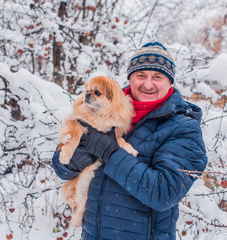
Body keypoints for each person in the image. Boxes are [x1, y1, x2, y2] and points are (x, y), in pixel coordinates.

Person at [52, 42, 208, 240]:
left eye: (157, 77)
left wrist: (111, 152)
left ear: (170, 82)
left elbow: (163, 193)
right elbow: (61, 168)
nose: (148, 84)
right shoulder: (101, 108)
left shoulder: (183, 128)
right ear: (130, 78)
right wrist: (82, 154)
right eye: (141, 75)